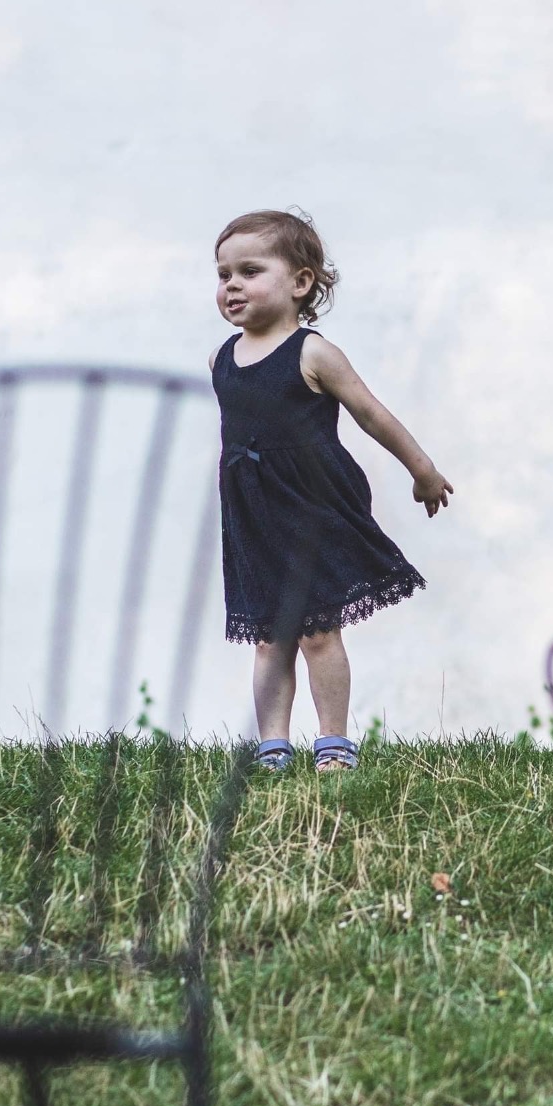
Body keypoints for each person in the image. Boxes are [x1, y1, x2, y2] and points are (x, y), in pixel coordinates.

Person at [209, 209, 452, 772]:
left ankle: (333, 743)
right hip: (252, 514)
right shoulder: (222, 358)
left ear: (300, 283)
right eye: (223, 275)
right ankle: (272, 745)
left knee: (317, 631)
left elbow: (371, 414)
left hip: (311, 506)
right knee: (269, 635)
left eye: (250, 270)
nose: (233, 285)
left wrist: (423, 470)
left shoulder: (312, 353)